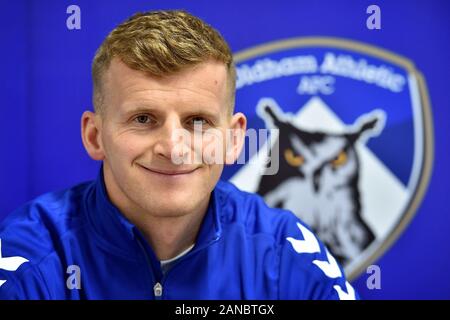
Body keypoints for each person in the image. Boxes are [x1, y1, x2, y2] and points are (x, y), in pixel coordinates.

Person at [0, 10, 356, 300]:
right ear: (95, 136)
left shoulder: (285, 255)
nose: (173, 148)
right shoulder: (29, 262)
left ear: (234, 139)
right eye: (143, 119)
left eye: (198, 121)